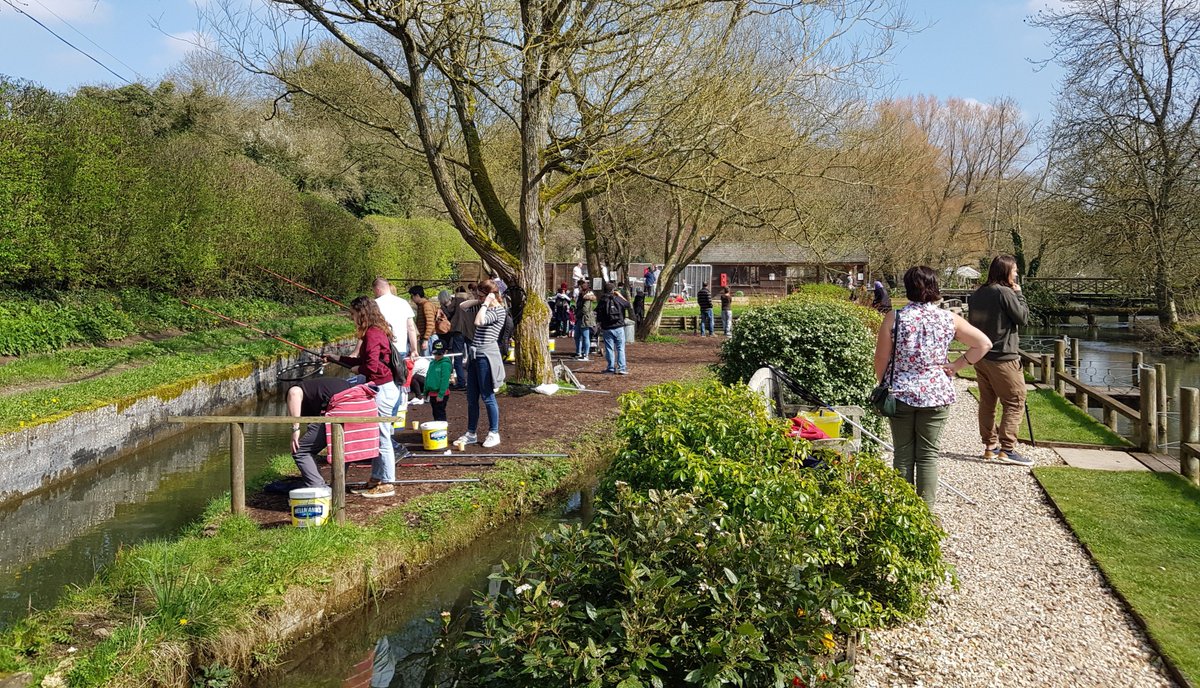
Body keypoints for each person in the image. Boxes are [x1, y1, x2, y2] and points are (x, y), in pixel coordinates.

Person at [873, 266, 991, 505]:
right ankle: (925, 515)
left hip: (900, 393)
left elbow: (881, 358)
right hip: (936, 394)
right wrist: (957, 365)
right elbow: (983, 343)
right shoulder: (949, 318)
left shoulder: (894, 318)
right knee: (928, 456)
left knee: (903, 455)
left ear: (908, 288)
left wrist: (884, 382)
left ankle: (902, 512)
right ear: (935, 287)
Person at [326, 297, 403, 498]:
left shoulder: (373, 334)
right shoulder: (376, 331)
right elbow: (366, 359)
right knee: (379, 435)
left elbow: (370, 366)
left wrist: (357, 368)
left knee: (383, 436)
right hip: (384, 388)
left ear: (362, 313)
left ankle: (388, 483)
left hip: (383, 390)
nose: (352, 318)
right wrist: (338, 359)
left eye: (353, 314)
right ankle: (377, 478)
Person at [968, 255, 1033, 466]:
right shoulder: (1005, 293)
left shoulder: (977, 293)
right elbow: (1022, 318)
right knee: (1015, 401)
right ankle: (1007, 449)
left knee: (988, 402)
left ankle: (989, 446)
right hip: (1003, 357)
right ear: (1005, 271)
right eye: (1014, 270)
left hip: (981, 356)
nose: (1016, 274)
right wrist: (1019, 294)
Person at [455, 280, 506, 448]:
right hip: (474, 355)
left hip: (486, 357)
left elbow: (478, 322)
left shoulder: (498, 311)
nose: (478, 298)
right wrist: (480, 301)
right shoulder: (483, 306)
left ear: (491, 295)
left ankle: (494, 432)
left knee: (487, 396)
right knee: (471, 397)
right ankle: (471, 432)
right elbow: (463, 305)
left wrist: (486, 303)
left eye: (480, 295)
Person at [597, 281, 631, 375]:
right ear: (613, 290)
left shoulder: (602, 300)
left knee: (609, 348)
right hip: (619, 326)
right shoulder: (618, 299)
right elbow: (628, 304)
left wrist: (600, 324)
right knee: (620, 348)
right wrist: (619, 295)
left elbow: (598, 313)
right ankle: (622, 368)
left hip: (607, 327)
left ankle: (610, 368)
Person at [425, 337, 454, 423]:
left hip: (441, 393)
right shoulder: (432, 363)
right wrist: (426, 391)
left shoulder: (445, 364)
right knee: (435, 413)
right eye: (435, 354)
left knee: (440, 413)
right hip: (432, 393)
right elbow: (428, 377)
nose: (437, 356)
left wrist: (441, 394)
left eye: (439, 354)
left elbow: (445, 380)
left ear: (445, 352)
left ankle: (441, 430)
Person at [408, 285, 439, 355]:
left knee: (428, 361)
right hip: (427, 338)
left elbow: (430, 324)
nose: (412, 299)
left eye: (412, 296)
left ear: (417, 295)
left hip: (429, 339)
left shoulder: (426, 305)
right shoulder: (421, 305)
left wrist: (425, 339)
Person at [574, 280, 597, 361]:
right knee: (577, 336)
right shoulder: (580, 296)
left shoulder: (587, 297)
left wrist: (577, 314)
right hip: (579, 318)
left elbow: (585, 310)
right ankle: (578, 352)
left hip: (585, 319)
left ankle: (585, 354)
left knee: (585, 336)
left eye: (579, 287)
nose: (578, 288)